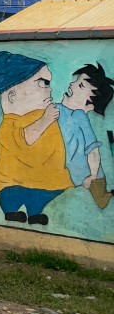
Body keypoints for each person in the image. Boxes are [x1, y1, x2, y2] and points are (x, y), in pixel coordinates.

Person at [0, 51, 72, 226]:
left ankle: (35, 213)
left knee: (41, 193)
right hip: (16, 178)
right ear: (13, 95)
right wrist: (46, 120)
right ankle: (11, 211)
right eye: (42, 83)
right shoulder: (10, 125)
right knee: (13, 193)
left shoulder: (41, 114)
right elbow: (25, 139)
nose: (49, 88)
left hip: (44, 176)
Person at [58, 63, 114, 210]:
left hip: (90, 175)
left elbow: (93, 150)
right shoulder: (58, 109)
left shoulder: (80, 116)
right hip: (67, 174)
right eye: (76, 81)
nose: (72, 84)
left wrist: (93, 175)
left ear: (90, 106)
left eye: (81, 86)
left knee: (100, 201)